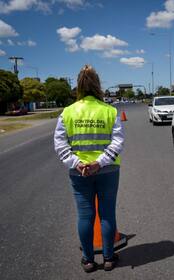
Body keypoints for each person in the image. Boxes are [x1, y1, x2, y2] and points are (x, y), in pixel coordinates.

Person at [54, 65, 124, 273]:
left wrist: (77, 163)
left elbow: (60, 144)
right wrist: (99, 163)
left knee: (85, 216)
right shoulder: (110, 111)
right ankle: (109, 258)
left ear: (78, 86)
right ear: (98, 85)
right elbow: (117, 142)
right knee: (107, 214)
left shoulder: (67, 112)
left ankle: (88, 260)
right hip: (108, 170)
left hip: (79, 173)